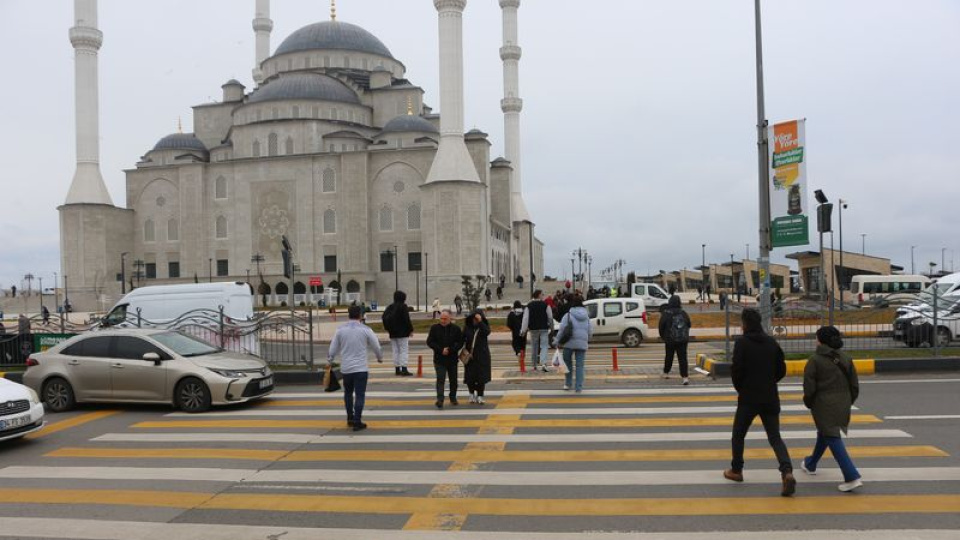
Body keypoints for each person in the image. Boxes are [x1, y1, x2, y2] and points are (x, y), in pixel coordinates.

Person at [725, 308, 796, 497]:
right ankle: (787, 471)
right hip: (769, 396)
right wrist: (769, 382)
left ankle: (737, 470)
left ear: (745, 324)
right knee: (775, 437)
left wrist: (742, 388)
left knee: (738, 435)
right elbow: (781, 369)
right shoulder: (771, 342)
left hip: (748, 398)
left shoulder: (742, 343)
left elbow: (736, 371)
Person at [801, 326, 863, 492]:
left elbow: (809, 388)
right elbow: (854, 385)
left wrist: (809, 402)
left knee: (832, 437)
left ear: (820, 341)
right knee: (825, 433)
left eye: (816, 338)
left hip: (823, 405)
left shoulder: (814, 360)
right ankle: (811, 463)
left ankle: (852, 476)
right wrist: (847, 401)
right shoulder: (846, 358)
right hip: (843, 403)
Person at [327, 305, 383, 432]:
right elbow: (376, 346)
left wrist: (329, 360)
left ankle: (350, 418)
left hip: (346, 369)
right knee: (360, 394)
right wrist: (379, 358)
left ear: (349, 315)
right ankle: (357, 421)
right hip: (361, 369)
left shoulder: (340, 330)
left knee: (348, 393)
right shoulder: (366, 329)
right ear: (360, 315)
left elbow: (332, 348)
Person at [426, 309, 465, 409]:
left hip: (452, 359)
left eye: (445, 319)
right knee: (440, 379)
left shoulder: (456, 329)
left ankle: (453, 397)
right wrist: (440, 350)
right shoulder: (434, 328)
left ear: (450, 318)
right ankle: (440, 400)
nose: (443, 320)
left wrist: (450, 350)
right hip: (439, 359)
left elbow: (460, 343)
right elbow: (430, 342)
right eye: (441, 318)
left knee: (453, 380)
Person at [557, 294, 592, 392]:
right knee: (580, 365)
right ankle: (578, 387)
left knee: (567, 363)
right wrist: (587, 339)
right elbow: (590, 330)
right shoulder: (586, 316)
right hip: (582, 343)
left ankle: (568, 384)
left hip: (569, 343)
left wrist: (557, 341)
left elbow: (562, 330)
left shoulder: (568, 315)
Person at [658, 295, 692, 385]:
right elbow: (689, 324)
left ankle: (666, 373)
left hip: (670, 339)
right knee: (683, 358)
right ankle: (685, 377)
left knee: (669, 356)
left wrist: (664, 337)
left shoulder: (666, 313)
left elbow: (661, 326)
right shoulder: (683, 313)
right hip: (682, 340)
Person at [463, 309, 491, 404]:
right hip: (470, 356)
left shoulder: (483, 326)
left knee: (481, 377)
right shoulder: (467, 327)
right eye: (474, 318)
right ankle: (471, 394)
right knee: (469, 377)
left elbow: (487, 332)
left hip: (482, 356)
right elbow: (462, 339)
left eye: (477, 318)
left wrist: (480, 322)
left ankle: (480, 395)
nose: (475, 320)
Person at [383, 290, 414, 377]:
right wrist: (410, 329)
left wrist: (388, 329)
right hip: (403, 333)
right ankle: (404, 369)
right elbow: (406, 319)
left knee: (395, 351)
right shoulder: (403, 306)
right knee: (403, 350)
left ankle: (397, 369)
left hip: (392, 333)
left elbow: (384, 317)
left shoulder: (390, 307)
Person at [520, 290, 552, 372]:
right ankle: (544, 363)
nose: (543, 296)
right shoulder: (545, 305)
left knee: (534, 346)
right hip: (544, 328)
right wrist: (551, 327)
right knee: (544, 345)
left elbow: (525, 319)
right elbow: (550, 317)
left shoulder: (529, 306)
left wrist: (523, 330)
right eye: (542, 294)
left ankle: (534, 365)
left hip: (533, 329)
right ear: (539, 295)